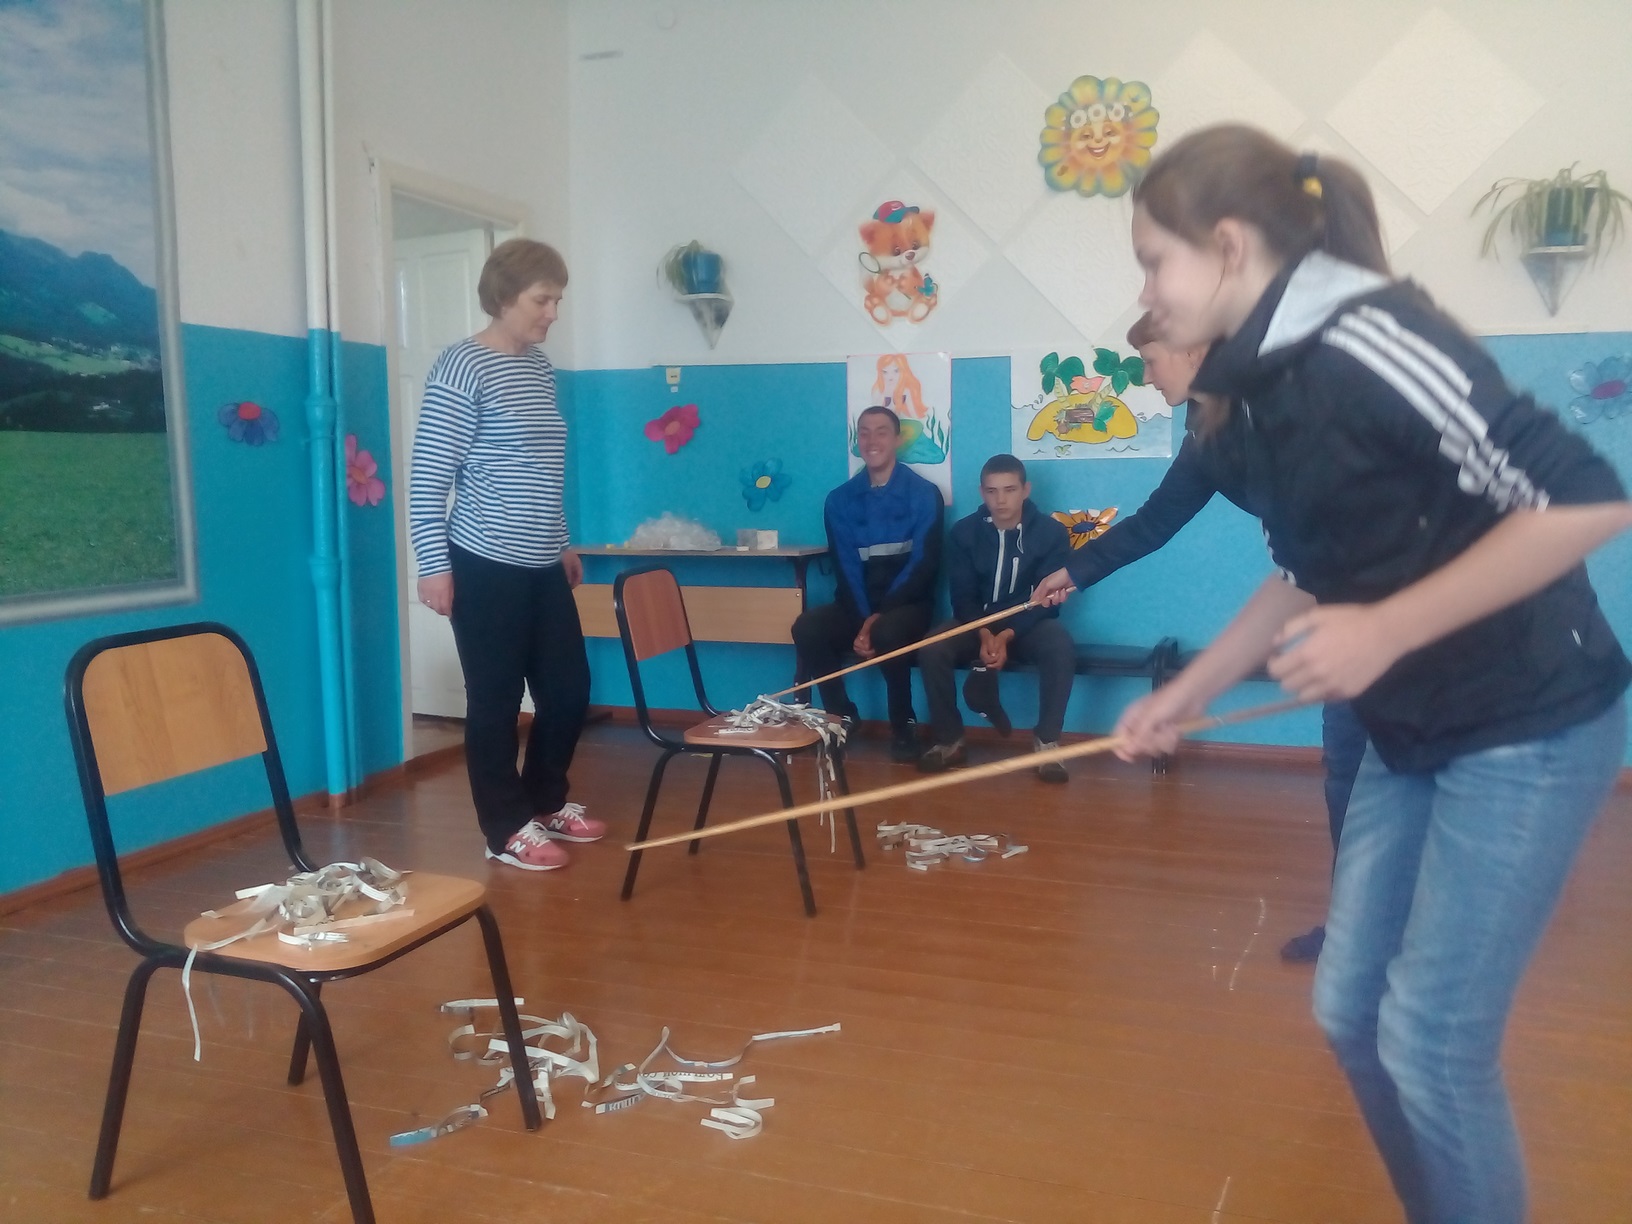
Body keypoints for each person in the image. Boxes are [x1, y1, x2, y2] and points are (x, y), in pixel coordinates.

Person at [1087, 124, 1631, 1224]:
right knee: (1351, 1011)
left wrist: (1384, 629)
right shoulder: (1248, 395)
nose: (1143, 292)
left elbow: (1585, 500)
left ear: (1228, 247)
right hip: (1408, 727)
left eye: (1153, 261)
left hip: (1528, 721)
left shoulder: (1373, 338)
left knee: (1430, 1041)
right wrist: (1190, 693)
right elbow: (1301, 574)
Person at [1032, 312, 1367, 962]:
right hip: (1338, 606)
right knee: (1349, 778)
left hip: (1406, 618)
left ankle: (1399, 938)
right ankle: (1356, 931)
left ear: (1194, 353)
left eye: (1151, 360)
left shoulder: (1291, 415)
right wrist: (1076, 571)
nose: (1144, 376)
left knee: (1404, 782)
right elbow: (1155, 522)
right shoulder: (1207, 435)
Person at [409, 238, 604, 873]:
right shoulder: (462, 365)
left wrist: (562, 539)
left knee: (569, 690)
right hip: (483, 560)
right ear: (504, 296)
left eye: (558, 300)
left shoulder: (538, 368)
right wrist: (433, 564)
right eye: (542, 299)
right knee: (495, 701)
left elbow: (543, 466)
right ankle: (504, 828)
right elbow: (430, 474)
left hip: (543, 562)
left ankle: (545, 799)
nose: (553, 313)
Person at [792, 405, 943, 762]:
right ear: (857, 440)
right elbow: (845, 568)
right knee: (807, 627)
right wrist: (864, 620)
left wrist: (876, 620)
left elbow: (923, 566)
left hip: (909, 605)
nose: (872, 440)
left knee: (889, 632)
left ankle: (903, 725)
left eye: (881, 432)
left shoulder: (925, 494)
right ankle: (841, 716)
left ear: (897, 439)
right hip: (855, 604)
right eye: (864, 432)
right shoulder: (839, 500)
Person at [917, 454, 1075, 781]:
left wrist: (1006, 635)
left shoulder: (1052, 533)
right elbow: (962, 597)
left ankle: (1047, 742)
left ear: (1026, 490)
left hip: (1029, 625)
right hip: (977, 622)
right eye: (992, 491)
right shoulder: (963, 533)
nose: (1000, 500)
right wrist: (985, 633)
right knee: (933, 647)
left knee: (1059, 644)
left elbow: (1049, 603)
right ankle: (949, 740)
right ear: (981, 492)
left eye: (1009, 490)